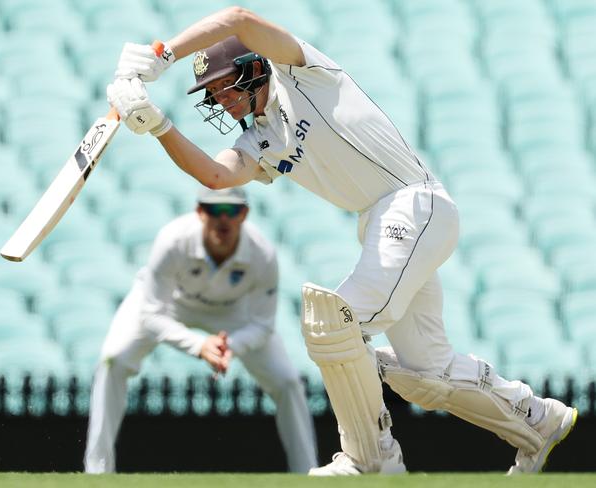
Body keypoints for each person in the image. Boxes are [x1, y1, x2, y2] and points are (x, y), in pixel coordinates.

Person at [104, 7, 578, 475]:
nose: (220, 101)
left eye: (223, 86)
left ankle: (370, 460)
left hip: (414, 204)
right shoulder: (261, 140)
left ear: (252, 69)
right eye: (212, 95)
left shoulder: (304, 73)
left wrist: (162, 54)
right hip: (383, 223)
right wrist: (159, 127)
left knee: (333, 322)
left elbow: (240, 19)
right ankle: (537, 420)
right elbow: (214, 174)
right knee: (426, 376)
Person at [84, 186, 318, 474]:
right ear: (199, 212)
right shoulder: (173, 240)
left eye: (231, 211)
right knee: (113, 359)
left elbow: (263, 325)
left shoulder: (262, 254)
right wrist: (199, 346)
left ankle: (308, 474)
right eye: (213, 210)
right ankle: (96, 472)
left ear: (244, 214)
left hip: (233, 312)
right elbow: (151, 314)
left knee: (288, 381)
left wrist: (229, 346)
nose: (223, 219)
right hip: (171, 304)